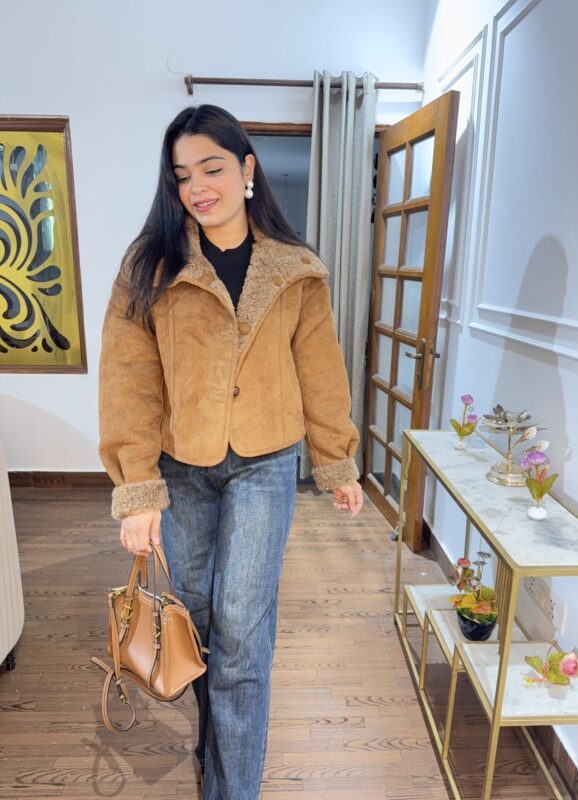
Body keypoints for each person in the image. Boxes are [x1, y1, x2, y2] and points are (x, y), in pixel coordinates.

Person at [98, 104, 363, 800]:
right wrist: (137, 487)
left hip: (264, 464)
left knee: (243, 632)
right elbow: (129, 381)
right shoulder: (149, 266)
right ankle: (219, 751)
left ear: (247, 167)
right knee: (201, 624)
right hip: (180, 465)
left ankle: (231, 787)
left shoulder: (296, 271)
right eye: (182, 175)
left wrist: (336, 460)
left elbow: (321, 370)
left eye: (211, 168)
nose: (197, 187)